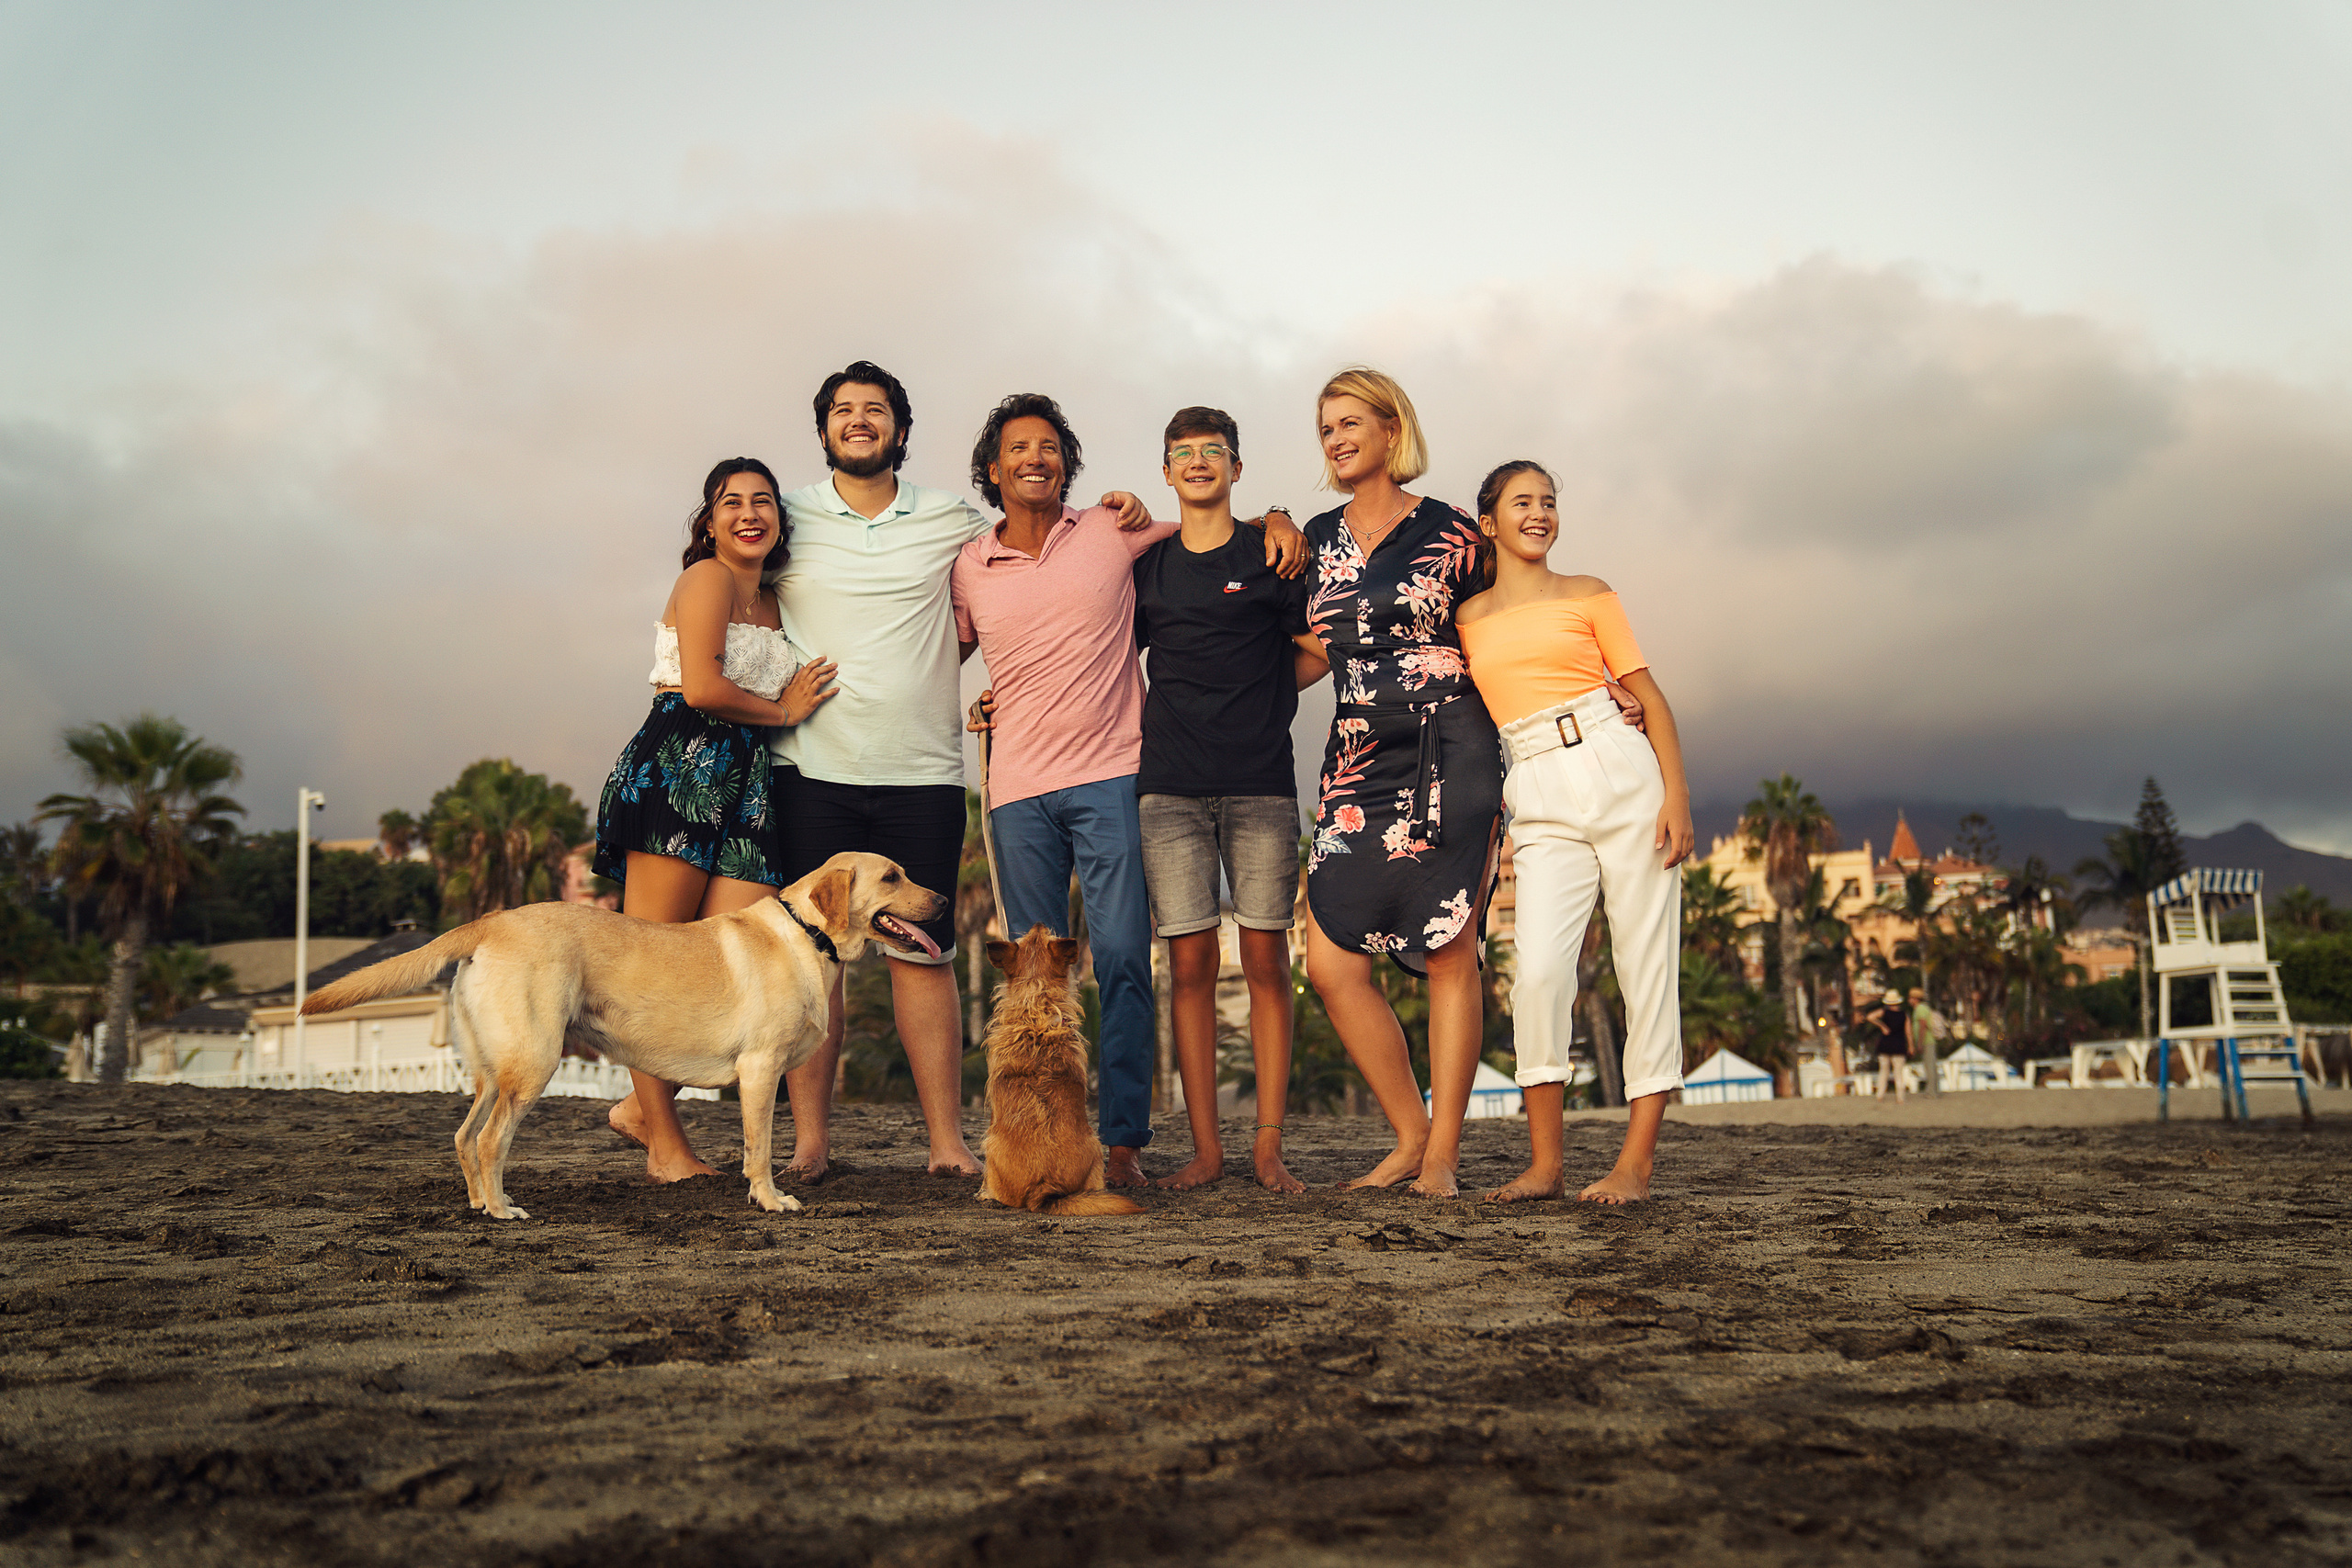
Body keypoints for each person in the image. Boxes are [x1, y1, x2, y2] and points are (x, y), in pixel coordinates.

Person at [605, 364, 1150, 1180]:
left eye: (877, 411)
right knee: (809, 964)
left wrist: (1118, 512)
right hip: (803, 770)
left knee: (924, 954)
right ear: (824, 427)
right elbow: (712, 625)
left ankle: (945, 1142)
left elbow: (1018, 580)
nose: (860, 422)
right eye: (844, 411)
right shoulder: (782, 518)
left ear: (901, 427)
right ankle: (811, 1144)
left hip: (923, 772)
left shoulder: (951, 520)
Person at [956, 393, 1305, 1188]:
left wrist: (1280, 513)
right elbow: (938, 648)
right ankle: (1039, 1138)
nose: (1035, 458)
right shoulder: (970, 566)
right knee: (1035, 976)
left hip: (1116, 773)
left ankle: (1121, 1142)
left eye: (1049, 446)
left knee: (1120, 960)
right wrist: (974, 704)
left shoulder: (1116, 530)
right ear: (993, 468)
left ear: (1065, 462)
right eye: (1018, 448)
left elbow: (1210, 525)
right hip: (1015, 788)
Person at [593, 457, 839, 1183]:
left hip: (748, 784)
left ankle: (643, 1109)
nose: (749, 512)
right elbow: (701, 686)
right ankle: (665, 1146)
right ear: (709, 521)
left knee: (730, 964)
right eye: (731, 502)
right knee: (651, 960)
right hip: (681, 767)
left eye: (763, 501)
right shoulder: (705, 578)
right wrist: (786, 710)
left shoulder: (774, 601)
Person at [1456, 458, 1693, 1205]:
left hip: (1621, 767)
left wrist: (1677, 797)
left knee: (1645, 965)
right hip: (1534, 781)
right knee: (1539, 973)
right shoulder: (1465, 617)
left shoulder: (1590, 593)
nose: (1539, 513)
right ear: (1488, 520)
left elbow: (1649, 698)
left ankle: (1637, 1162)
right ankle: (1546, 1163)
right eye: (1522, 502)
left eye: (1549, 502)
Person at [1298, 367, 1503, 1199]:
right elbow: (1308, 651)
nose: (1337, 438)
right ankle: (1410, 1133)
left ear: (1392, 430)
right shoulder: (1313, 537)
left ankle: (1445, 1152)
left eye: (1351, 422)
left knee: (1451, 947)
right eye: (1326, 428)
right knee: (1331, 961)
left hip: (1447, 745)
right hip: (1355, 755)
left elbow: (1508, 627)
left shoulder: (1454, 532)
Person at [1131, 407, 1328, 1194]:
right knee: (1188, 965)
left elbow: (1316, 648)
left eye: (1214, 450)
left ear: (1236, 468)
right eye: (1184, 452)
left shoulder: (1270, 553)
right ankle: (1207, 1150)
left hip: (1260, 783)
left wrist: (1260, 701)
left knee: (1266, 960)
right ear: (1167, 471)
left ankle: (1268, 1147)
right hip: (1168, 787)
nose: (1199, 461)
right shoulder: (1149, 565)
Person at [1866, 988, 1911, 1100]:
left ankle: (1880, 1094)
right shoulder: (1904, 1015)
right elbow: (1908, 1032)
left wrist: (1882, 1026)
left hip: (1885, 1044)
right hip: (1899, 1045)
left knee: (1883, 1071)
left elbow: (1870, 1017)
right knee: (1898, 1073)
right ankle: (1900, 1097)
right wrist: (1911, 1046)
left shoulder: (1884, 1012)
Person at [1909, 986, 1943, 1096]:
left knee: (1929, 1066)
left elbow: (1922, 1026)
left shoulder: (1920, 1009)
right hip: (1928, 1041)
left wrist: (1919, 1043)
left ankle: (1932, 1092)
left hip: (1927, 1041)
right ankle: (1933, 1089)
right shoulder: (1922, 1008)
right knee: (1930, 1066)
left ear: (1915, 999)